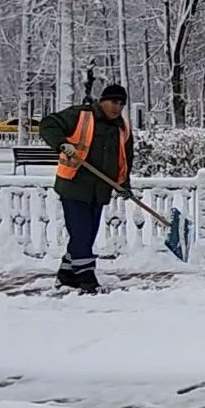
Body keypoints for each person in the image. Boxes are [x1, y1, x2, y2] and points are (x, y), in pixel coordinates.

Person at [39, 84, 134, 293]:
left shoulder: (122, 128)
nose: (117, 108)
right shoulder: (81, 115)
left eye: (121, 104)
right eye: (113, 102)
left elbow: (125, 158)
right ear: (102, 101)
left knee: (87, 235)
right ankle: (86, 279)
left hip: (100, 190)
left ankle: (66, 275)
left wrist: (124, 184)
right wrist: (62, 144)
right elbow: (48, 125)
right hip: (74, 185)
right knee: (81, 234)